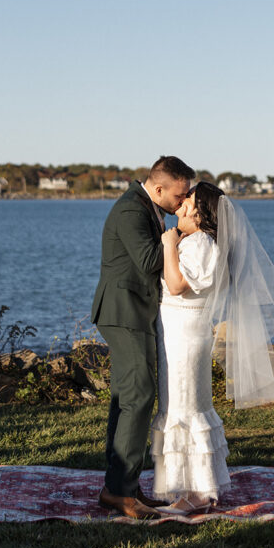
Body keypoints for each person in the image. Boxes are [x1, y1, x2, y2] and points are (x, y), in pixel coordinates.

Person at [150, 182, 274, 512]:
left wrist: (167, 243)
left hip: (185, 338)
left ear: (202, 214)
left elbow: (175, 285)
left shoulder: (201, 243)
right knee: (181, 406)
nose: (181, 204)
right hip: (176, 334)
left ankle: (198, 494)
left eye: (188, 200)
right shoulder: (196, 240)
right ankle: (190, 488)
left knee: (187, 408)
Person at [91, 155, 195, 520]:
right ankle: (121, 491)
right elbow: (151, 260)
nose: (182, 203)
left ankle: (120, 488)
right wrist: (181, 233)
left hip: (132, 312)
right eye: (180, 196)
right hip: (123, 313)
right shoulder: (132, 211)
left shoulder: (145, 207)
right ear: (160, 188)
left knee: (125, 397)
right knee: (139, 394)